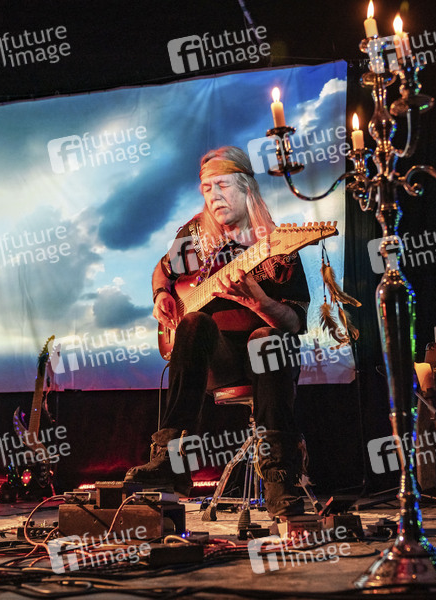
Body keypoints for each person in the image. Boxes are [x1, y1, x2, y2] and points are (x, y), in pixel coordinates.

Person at [124, 146, 311, 518]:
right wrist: (161, 294)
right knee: (193, 323)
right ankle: (170, 463)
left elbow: (295, 323)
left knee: (266, 339)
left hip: (266, 362)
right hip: (217, 360)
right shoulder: (195, 236)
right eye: (207, 189)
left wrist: (260, 304)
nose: (214, 196)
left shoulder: (278, 245)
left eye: (222, 186)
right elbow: (162, 271)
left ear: (245, 187)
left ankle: (280, 474)